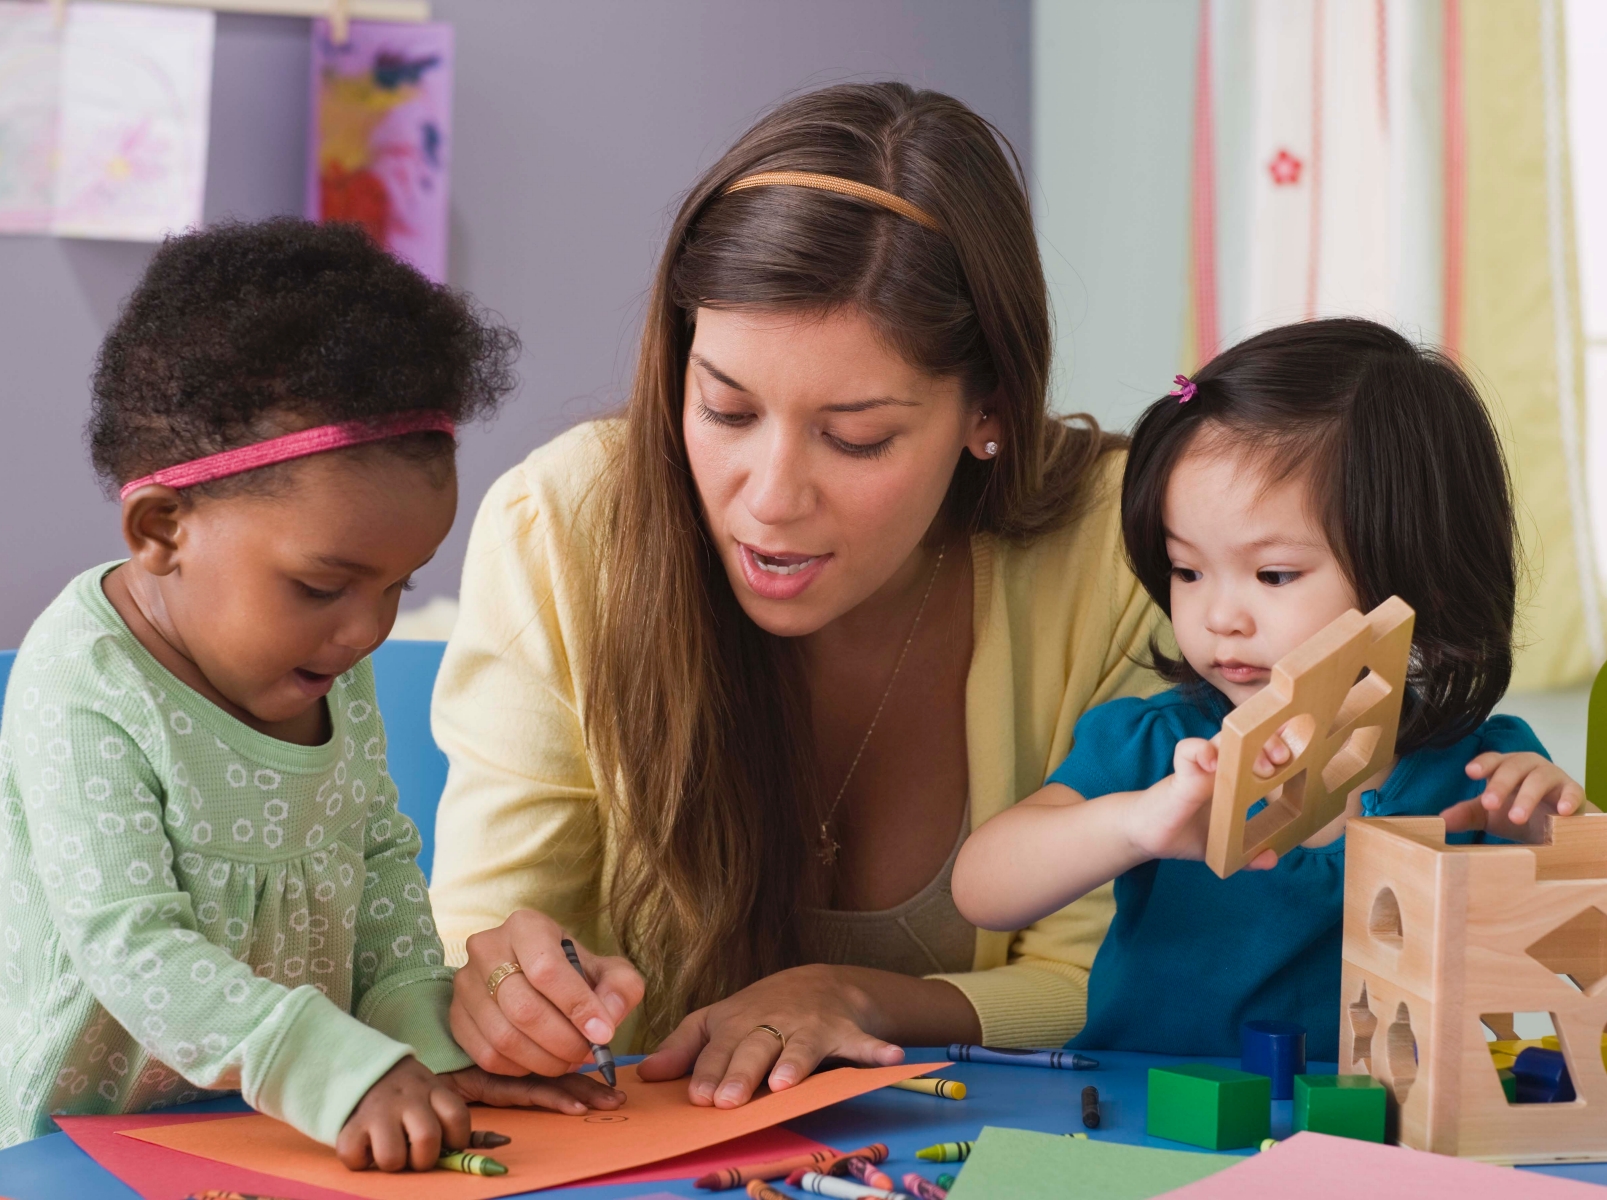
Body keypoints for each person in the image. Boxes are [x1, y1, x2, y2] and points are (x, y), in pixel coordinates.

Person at [431, 81, 1164, 1108]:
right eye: (725, 410)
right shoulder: (559, 526)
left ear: (986, 412)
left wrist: (851, 996)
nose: (768, 501)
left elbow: (1112, 976)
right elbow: (486, 935)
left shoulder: (1124, 545)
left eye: (854, 436)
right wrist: (505, 990)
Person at [0, 220, 622, 1164]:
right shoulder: (84, 681)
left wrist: (426, 1042)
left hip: (284, 1137)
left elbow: (373, 867)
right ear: (163, 526)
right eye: (323, 586)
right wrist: (336, 1069)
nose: (366, 629)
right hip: (73, 1152)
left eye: (397, 586)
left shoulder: (327, 660)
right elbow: (131, 945)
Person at [950, 318, 1586, 1060]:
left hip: (1374, 1141)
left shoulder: (1482, 770)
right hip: (1142, 1122)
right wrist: (1131, 826)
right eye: (1187, 570)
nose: (1219, 617)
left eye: (1273, 575)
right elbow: (982, 889)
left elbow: (1577, 971)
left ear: (1422, 576)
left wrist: (1549, 842)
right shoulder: (1155, 747)